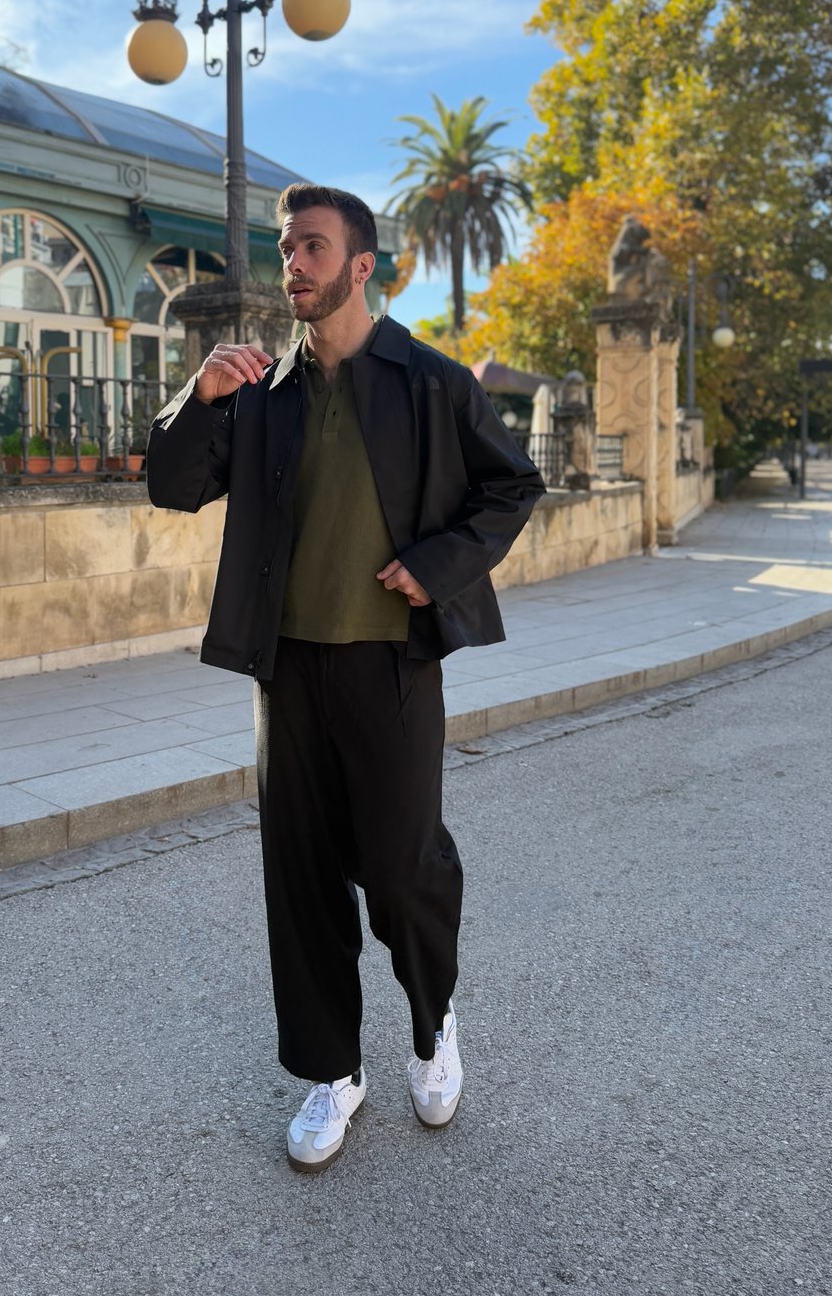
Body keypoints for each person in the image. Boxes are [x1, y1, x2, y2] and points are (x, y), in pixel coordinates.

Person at [147, 184, 545, 1173]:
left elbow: (514, 484)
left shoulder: (429, 380)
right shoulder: (263, 395)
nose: (295, 265)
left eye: (313, 248)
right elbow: (172, 484)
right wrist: (197, 397)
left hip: (390, 666)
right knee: (302, 880)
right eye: (287, 249)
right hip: (285, 674)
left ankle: (430, 1018)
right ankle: (332, 1071)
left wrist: (442, 562)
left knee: (405, 868)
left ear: (360, 265)